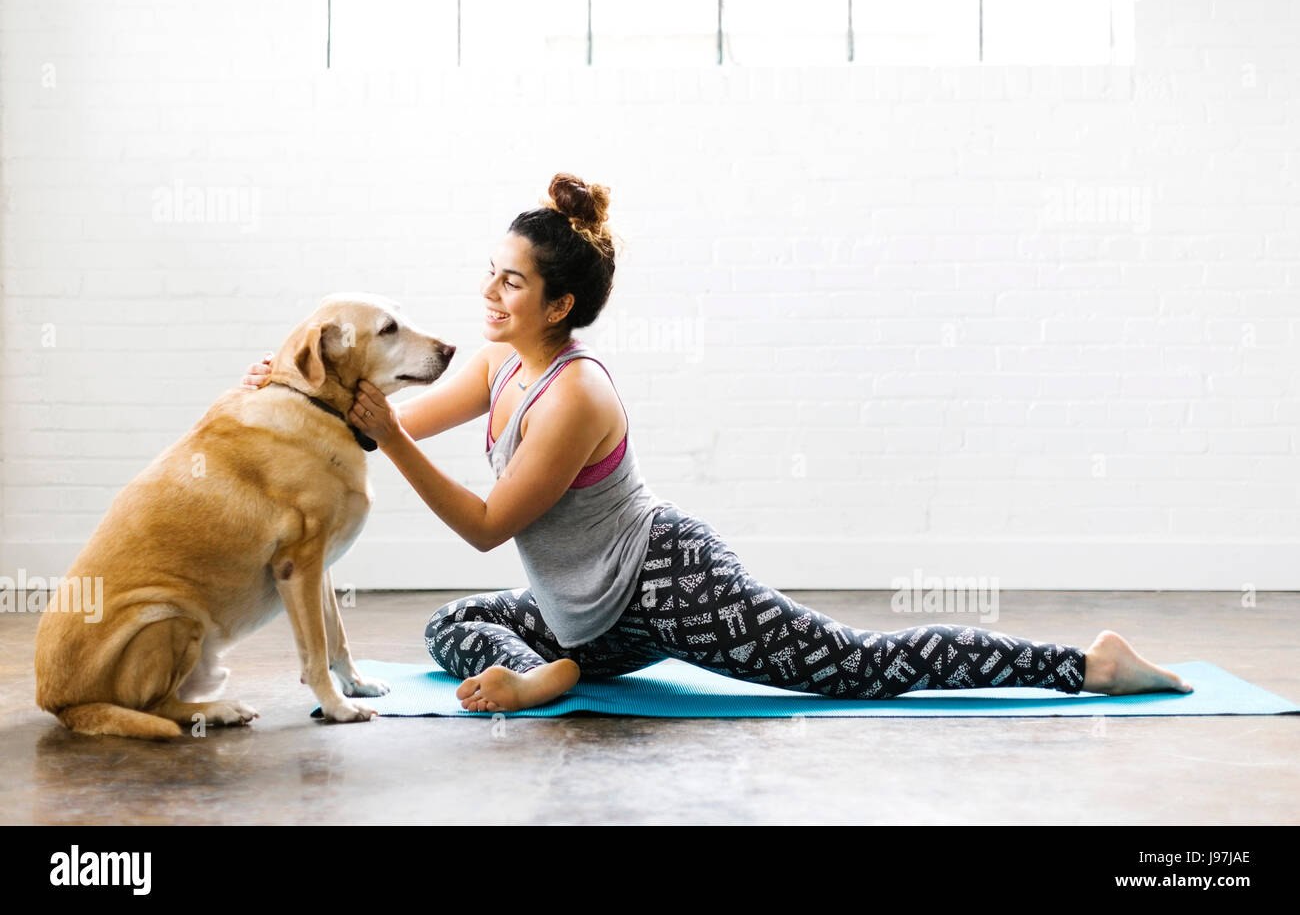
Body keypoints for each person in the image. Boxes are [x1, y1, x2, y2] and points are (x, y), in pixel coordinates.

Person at [241, 172, 1194, 712]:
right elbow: (388, 422)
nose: (489, 296)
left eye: (511, 285)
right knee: (449, 626)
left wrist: (380, 436)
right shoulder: (495, 368)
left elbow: (488, 524)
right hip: (581, 617)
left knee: (856, 668)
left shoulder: (576, 393)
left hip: (667, 581)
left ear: (561, 305)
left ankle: (1088, 663)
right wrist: (299, 386)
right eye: (488, 275)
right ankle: (557, 668)